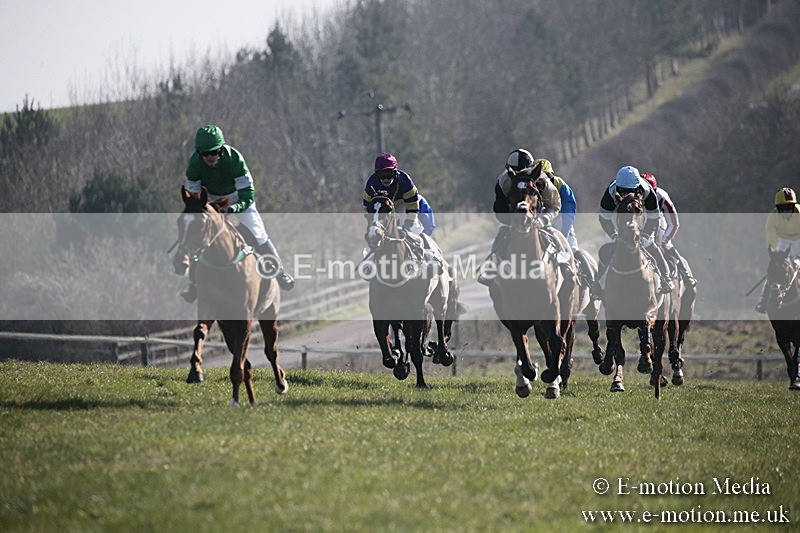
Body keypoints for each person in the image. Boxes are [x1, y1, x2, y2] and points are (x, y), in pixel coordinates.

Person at [179, 124, 294, 303]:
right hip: (209, 201)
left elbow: (247, 195)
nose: (209, 157)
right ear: (199, 152)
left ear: (222, 149)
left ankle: (279, 272)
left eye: (214, 152)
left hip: (237, 199)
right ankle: (193, 283)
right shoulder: (194, 164)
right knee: (198, 235)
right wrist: (203, 209)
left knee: (259, 234)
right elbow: (193, 197)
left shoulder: (235, 159)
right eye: (205, 153)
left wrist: (233, 208)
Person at [477, 148, 562, 287]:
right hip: (512, 217)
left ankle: (566, 264)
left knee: (556, 237)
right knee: (501, 235)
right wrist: (512, 221)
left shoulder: (543, 181)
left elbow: (555, 205)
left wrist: (542, 219)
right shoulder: (504, 182)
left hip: (538, 216)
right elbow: (499, 209)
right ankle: (491, 265)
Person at [593, 165, 675, 298]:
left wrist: (645, 236)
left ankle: (666, 278)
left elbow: (654, 218)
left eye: (630, 190)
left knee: (650, 245)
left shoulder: (648, 192)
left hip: (642, 216)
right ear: (618, 187)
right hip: (618, 216)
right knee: (608, 248)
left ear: (637, 188)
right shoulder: (610, 193)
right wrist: (614, 234)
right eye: (623, 190)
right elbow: (604, 218)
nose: (626, 194)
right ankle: (598, 284)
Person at [640, 172, 697, 288]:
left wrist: (665, 240)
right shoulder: (633, 195)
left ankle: (685, 275)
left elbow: (674, 224)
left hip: (659, 221)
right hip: (640, 222)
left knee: (663, 242)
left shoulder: (662, 197)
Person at [362, 152, 424, 247]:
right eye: (382, 176)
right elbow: (367, 208)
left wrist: (407, 227)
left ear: (395, 173)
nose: (386, 179)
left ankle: (420, 251)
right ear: (376, 175)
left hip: (402, 203)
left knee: (412, 230)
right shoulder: (371, 184)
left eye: (389, 175)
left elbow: (412, 207)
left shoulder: (405, 181)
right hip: (382, 208)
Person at [755, 187, 800, 313]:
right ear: (777, 208)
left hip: (799, 241)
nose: (786, 211)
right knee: (774, 270)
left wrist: (797, 257)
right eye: (782, 209)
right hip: (783, 241)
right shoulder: (773, 216)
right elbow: (770, 235)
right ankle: (764, 301)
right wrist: (775, 254)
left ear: (794, 206)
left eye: (789, 208)